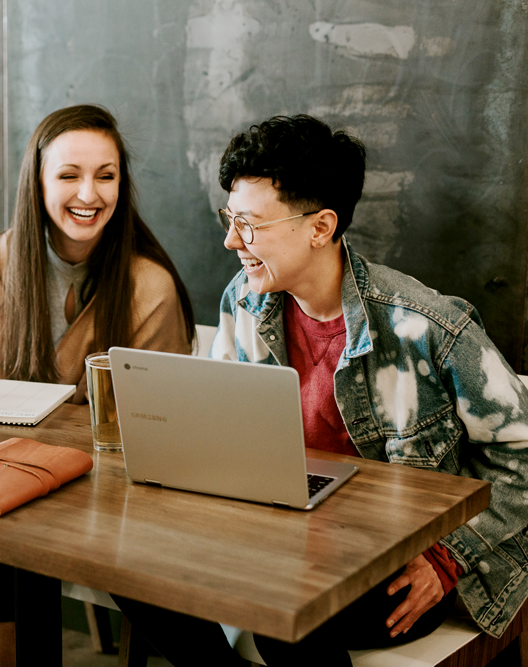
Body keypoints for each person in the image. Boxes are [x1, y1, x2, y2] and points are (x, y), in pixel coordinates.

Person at [113, 114, 528, 666]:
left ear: (320, 227)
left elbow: (521, 455)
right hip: (279, 537)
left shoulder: (426, 326)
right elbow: (221, 438)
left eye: (249, 225)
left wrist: (448, 557)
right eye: (230, 219)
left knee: (285, 610)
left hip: (394, 559)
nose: (231, 240)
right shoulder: (245, 301)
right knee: (124, 562)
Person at [0, 104, 195, 667]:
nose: (89, 194)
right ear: (38, 182)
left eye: (106, 175)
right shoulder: (3, 259)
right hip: (8, 479)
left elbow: (158, 430)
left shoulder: (149, 287)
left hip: (103, 495)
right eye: (69, 175)